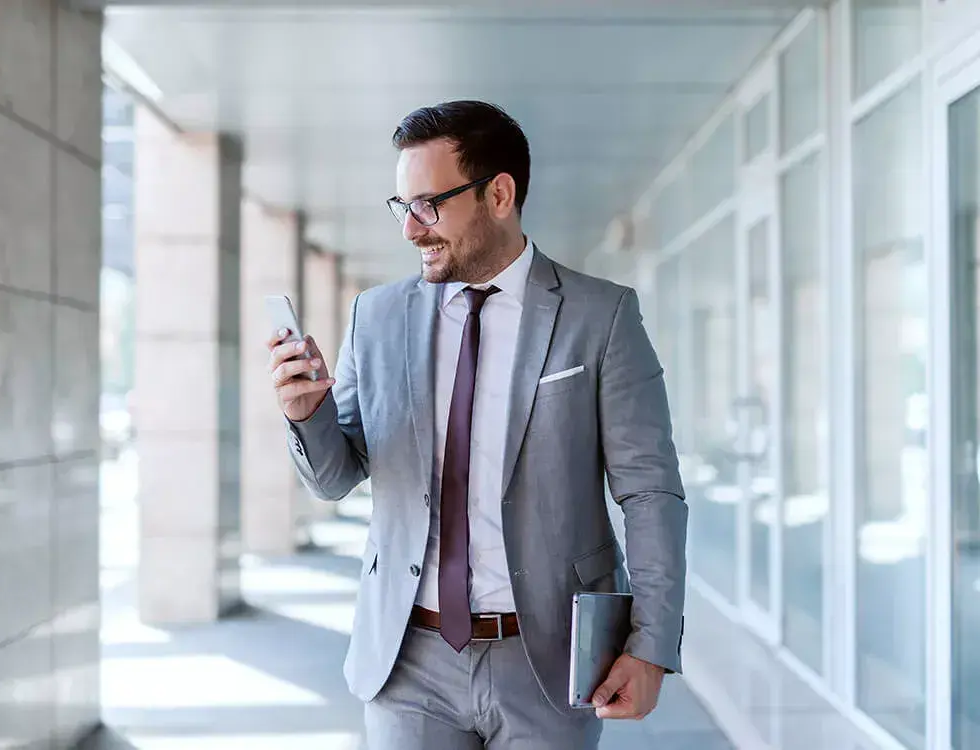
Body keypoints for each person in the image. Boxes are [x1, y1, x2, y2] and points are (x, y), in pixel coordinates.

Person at [266, 100, 687, 750]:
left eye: (428, 204)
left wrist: (651, 645)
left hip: (545, 656)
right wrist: (307, 415)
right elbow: (335, 476)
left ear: (498, 194)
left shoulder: (600, 317)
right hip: (408, 662)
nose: (410, 229)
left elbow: (650, 492)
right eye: (401, 206)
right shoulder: (374, 318)